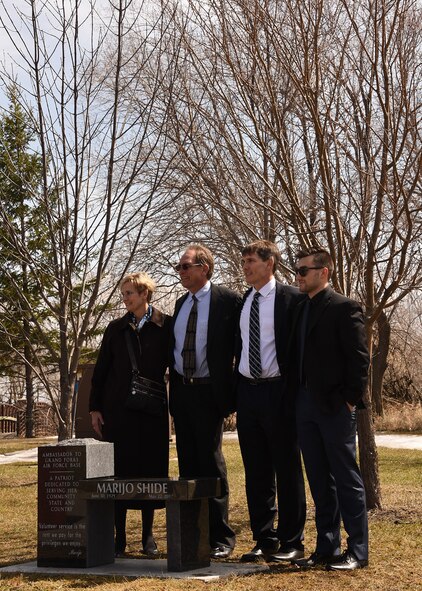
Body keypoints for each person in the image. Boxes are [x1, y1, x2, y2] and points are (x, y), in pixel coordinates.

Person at [291, 248, 370, 571]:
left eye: (303, 270)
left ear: (323, 272)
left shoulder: (345, 307)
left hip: (335, 406)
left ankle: (358, 551)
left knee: (345, 478)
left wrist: (349, 399)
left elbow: (359, 359)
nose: (298, 276)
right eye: (296, 270)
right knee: (319, 479)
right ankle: (327, 546)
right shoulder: (299, 308)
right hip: (305, 405)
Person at [89, 272, 171, 557]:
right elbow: (100, 371)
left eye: (130, 293)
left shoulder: (165, 325)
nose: (125, 298)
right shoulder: (115, 328)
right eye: (123, 294)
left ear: (145, 293)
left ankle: (148, 536)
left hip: (151, 412)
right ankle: (119, 537)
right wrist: (95, 408)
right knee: (119, 473)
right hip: (118, 411)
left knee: (151, 471)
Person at [169, 244, 242, 559]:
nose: (181, 272)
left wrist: (233, 390)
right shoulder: (180, 303)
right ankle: (192, 534)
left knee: (211, 464)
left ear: (204, 268)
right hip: (183, 392)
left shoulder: (228, 301)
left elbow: (241, 347)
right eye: (179, 268)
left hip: (210, 391)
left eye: (185, 266)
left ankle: (221, 536)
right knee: (188, 465)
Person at [236, 240, 306, 563]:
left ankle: (292, 539)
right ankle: (265, 539)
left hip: (279, 392)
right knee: (256, 469)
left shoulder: (291, 299)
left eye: (251, 261)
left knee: (287, 467)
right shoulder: (244, 301)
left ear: (270, 263)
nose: (246, 266)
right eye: (245, 261)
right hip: (248, 393)